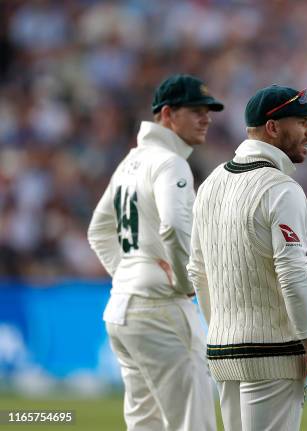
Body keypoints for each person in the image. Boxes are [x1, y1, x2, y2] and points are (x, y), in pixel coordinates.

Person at [187, 85, 307, 431]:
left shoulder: (210, 184)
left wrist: (221, 328)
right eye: (301, 121)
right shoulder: (282, 189)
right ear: (272, 127)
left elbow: (197, 270)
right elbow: (294, 275)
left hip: (223, 350)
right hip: (273, 354)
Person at [87, 74, 223, 431]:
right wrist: (184, 281)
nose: (206, 118)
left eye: (208, 111)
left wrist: (131, 272)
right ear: (167, 114)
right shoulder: (169, 161)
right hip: (160, 308)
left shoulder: (130, 162)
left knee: (145, 423)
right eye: (196, 110)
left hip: (124, 308)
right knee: (193, 422)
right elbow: (175, 227)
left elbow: (99, 230)